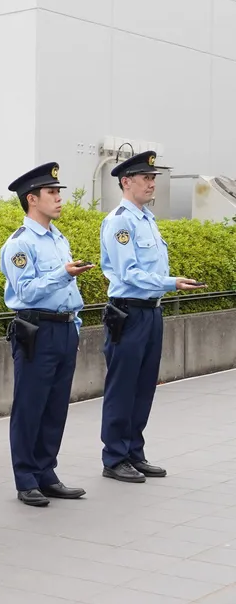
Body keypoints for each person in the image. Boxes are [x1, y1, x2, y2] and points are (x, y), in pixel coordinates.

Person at [99, 151, 203, 482]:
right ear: (125, 182)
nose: (151, 183)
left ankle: (134, 451)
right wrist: (171, 283)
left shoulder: (146, 218)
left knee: (144, 386)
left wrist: (166, 286)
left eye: (153, 177)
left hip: (151, 312)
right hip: (128, 312)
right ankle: (115, 457)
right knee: (123, 386)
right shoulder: (120, 221)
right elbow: (128, 274)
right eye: (145, 177)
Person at [0, 162, 91, 506]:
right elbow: (25, 292)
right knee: (31, 404)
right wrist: (63, 274)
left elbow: (67, 290)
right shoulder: (20, 244)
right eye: (52, 193)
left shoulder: (58, 238)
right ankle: (25, 477)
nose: (58, 198)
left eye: (58, 192)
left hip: (65, 328)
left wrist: (76, 325)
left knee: (55, 406)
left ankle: (46, 472)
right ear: (32, 199)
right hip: (37, 329)